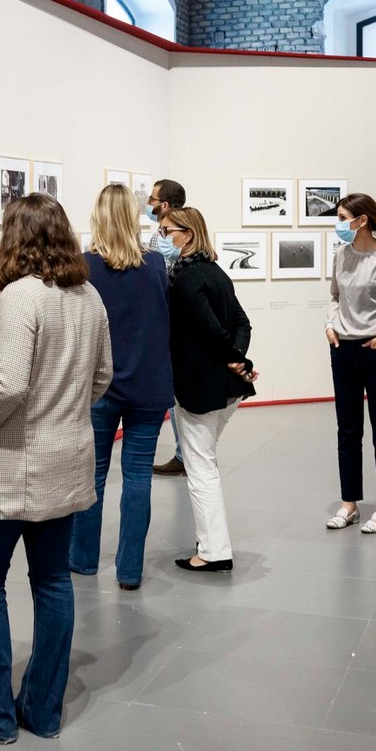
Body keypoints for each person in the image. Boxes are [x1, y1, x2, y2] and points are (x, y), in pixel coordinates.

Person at [0, 194, 113, 744]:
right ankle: (41, 710)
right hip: (65, 463)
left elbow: (9, 383)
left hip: (10, 466)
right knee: (53, 583)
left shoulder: (20, 298)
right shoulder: (89, 298)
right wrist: (63, 411)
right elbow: (104, 377)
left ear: (16, 237)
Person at [70, 182, 173, 590]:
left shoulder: (85, 268)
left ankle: (82, 560)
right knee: (137, 479)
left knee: (92, 477)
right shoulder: (155, 266)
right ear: (133, 217)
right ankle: (129, 570)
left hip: (100, 389)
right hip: (148, 385)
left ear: (97, 216)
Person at [158, 206, 255, 572]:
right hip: (226, 386)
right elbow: (242, 323)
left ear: (188, 234)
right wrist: (237, 359)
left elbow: (211, 328)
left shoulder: (184, 280)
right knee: (205, 463)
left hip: (201, 387)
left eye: (168, 231)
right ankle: (212, 544)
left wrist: (234, 357)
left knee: (201, 470)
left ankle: (214, 551)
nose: (162, 238)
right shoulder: (215, 272)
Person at [323, 193, 376, 533]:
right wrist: (329, 325)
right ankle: (349, 503)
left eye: (343, 217)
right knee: (347, 429)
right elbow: (335, 297)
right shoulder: (341, 255)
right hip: (343, 349)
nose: (339, 224)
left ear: (363, 221)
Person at [145, 178, 189, 477]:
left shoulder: (176, 238)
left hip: (177, 326)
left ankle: (186, 455)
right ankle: (185, 453)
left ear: (163, 204)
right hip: (165, 325)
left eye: (152, 199)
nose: (148, 204)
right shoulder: (159, 236)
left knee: (178, 398)